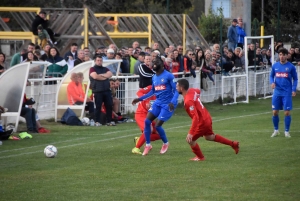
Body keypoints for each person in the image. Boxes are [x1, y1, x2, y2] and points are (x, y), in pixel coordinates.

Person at [176, 79, 239, 161]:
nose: (176, 88)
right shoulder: (192, 91)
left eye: (177, 86)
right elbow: (198, 91)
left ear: (182, 88)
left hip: (202, 122)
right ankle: (233, 144)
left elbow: (196, 118)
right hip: (207, 117)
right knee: (209, 137)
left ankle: (200, 157)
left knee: (190, 140)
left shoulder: (188, 101)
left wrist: (191, 133)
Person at [132, 55, 179, 156]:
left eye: (156, 63)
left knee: (157, 125)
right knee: (147, 121)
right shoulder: (154, 77)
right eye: (153, 63)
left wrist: (173, 102)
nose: (154, 65)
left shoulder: (169, 76)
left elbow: (176, 90)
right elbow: (152, 91)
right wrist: (140, 99)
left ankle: (166, 143)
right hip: (158, 102)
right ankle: (148, 145)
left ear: (162, 65)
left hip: (167, 103)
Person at [269, 48, 298, 138]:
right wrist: (272, 82)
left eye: (283, 55)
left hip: (286, 92)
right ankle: (276, 130)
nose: (281, 56)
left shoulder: (291, 67)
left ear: (287, 56)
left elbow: (295, 79)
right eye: (280, 55)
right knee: (274, 112)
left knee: (286, 113)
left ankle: (286, 131)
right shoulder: (275, 66)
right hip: (277, 92)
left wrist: (293, 89)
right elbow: (271, 76)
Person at [132, 85, 161, 154]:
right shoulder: (152, 87)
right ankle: (136, 148)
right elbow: (139, 92)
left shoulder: (164, 93)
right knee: (148, 129)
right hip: (141, 114)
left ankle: (140, 140)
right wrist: (146, 101)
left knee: (160, 134)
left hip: (150, 115)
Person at [89, 55, 115, 126]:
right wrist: (104, 76)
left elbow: (110, 74)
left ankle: (109, 121)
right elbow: (95, 76)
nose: (99, 62)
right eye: (98, 60)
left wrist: (101, 76)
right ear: (95, 61)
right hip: (97, 91)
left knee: (109, 105)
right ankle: (97, 121)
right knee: (98, 106)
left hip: (106, 90)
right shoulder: (92, 69)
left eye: (100, 60)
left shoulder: (105, 68)